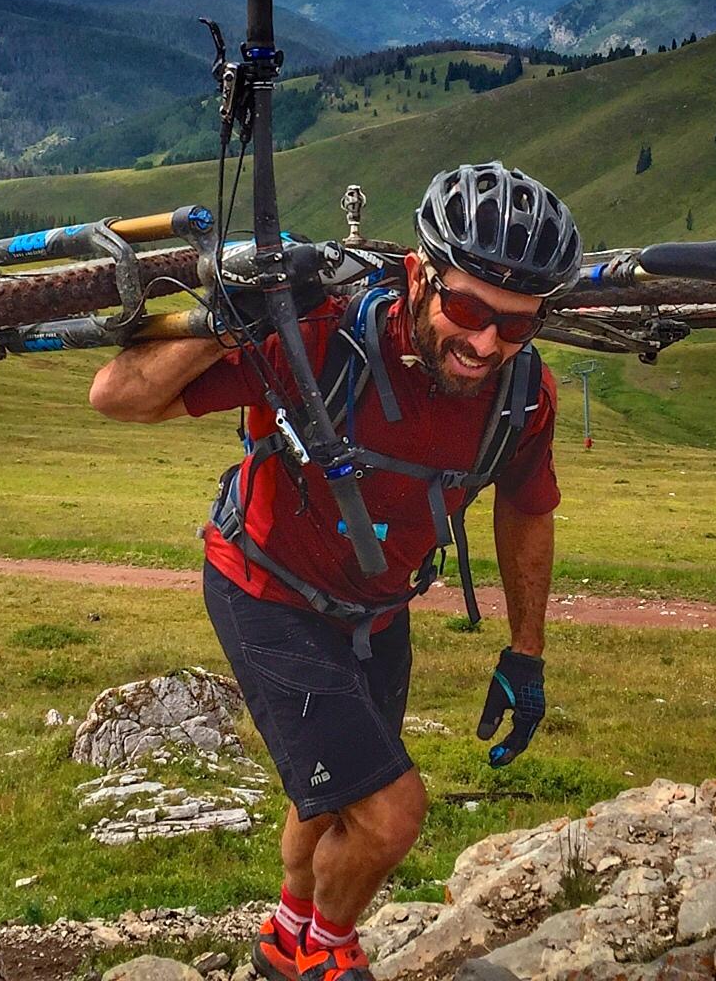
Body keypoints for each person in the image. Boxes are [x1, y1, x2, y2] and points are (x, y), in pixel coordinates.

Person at [89, 162, 581, 981]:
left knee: (326, 801)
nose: (486, 343)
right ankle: (323, 953)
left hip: (378, 607)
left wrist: (526, 651)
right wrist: (226, 317)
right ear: (421, 276)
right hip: (263, 586)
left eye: (517, 326)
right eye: (466, 309)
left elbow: (528, 507)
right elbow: (118, 396)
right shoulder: (319, 336)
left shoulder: (523, 395)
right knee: (391, 815)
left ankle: (287, 932)